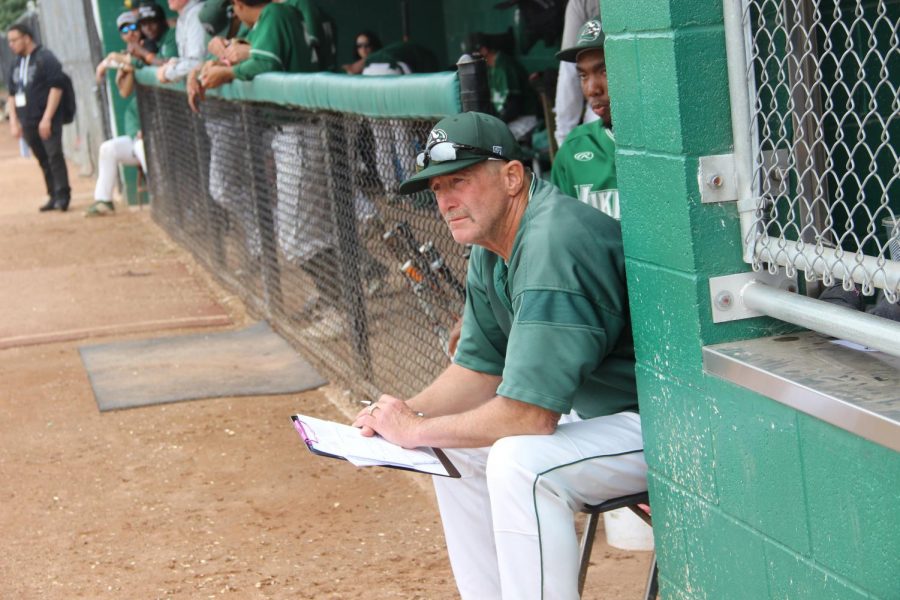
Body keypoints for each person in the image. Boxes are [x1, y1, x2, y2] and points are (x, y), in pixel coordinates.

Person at [353, 111, 645, 599]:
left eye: (459, 182)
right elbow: (477, 369)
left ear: (512, 177)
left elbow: (531, 417)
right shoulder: (493, 242)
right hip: (603, 413)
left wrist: (416, 427)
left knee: (518, 461)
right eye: (438, 189)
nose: (446, 202)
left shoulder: (554, 239)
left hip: (667, 419)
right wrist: (399, 417)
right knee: (448, 450)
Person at [551, 20, 619, 219]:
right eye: (583, 76)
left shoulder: (668, 143)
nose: (592, 89)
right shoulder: (574, 148)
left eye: (604, 71)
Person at [85, 11, 149, 217]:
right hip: (137, 131)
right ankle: (104, 200)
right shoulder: (127, 52)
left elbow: (147, 60)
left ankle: (165, 200)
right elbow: (124, 91)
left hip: (156, 131)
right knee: (108, 149)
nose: (130, 33)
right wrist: (124, 64)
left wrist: (112, 59)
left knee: (141, 147)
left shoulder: (150, 46)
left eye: (133, 27)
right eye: (124, 30)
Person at [5, 23, 71, 212]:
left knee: (54, 155)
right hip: (28, 120)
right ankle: (53, 195)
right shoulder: (16, 63)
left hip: (46, 118)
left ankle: (63, 195)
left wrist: (47, 118)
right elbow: (11, 93)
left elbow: (57, 87)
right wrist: (14, 121)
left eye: (14, 40)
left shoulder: (45, 58)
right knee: (42, 158)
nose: (11, 44)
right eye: (9, 41)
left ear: (27, 38)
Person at [467, 30, 539, 140]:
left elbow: (514, 106)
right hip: (510, 120)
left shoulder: (505, 66)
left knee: (490, 139)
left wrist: (494, 125)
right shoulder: (491, 68)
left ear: (484, 50)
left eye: (475, 54)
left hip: (525, 118)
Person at [553, 0, 600, 149]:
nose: (592, 89)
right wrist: (566, 143)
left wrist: (564, 140)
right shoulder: (581, 3)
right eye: (583, 76)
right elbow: (570, 74)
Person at [155, 0, 206, 84]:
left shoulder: (196, 13)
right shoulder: (184, 16)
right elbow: (189, 59)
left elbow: (197, 62)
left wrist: (167, 73)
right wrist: (175, 62)